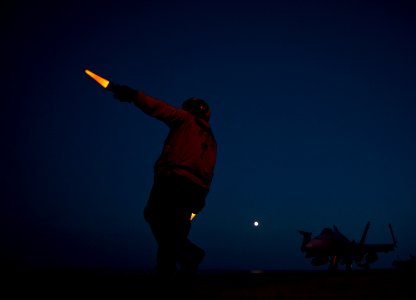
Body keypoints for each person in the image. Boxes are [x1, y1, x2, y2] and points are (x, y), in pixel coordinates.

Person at [111, 84, 217, 278]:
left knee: (155, 216)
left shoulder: (186, 120)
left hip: (174, 180)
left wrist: (134, 95)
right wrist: (201, 199)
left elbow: (159, 108)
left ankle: (186, 257)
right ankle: (170, 273)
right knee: (176, 228)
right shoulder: (211, 139)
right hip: (196, 189)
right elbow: (210, 170)